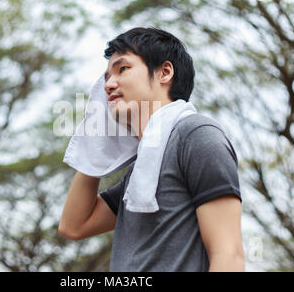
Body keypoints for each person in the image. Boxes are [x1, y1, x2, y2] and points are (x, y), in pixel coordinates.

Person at [59, 27, 244, 272]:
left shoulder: (196, 135)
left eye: (122, 69)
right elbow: (74, 226)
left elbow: (228, 255)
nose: (108, 86)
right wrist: (95, 143)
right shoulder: (141, 172)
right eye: (105, 79)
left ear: (164, 72)